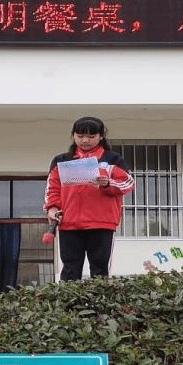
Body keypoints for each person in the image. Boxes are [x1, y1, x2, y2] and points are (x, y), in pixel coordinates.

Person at [44, 116, 134, 281]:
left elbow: (128, 184)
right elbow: (53, 189)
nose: (85, 140)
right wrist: (52, 209)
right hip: (69, 223)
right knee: (70, 270)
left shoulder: (113, 159)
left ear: (101, 137)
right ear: (73, 136)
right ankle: (68, 299)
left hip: (101, 222)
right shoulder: (61, 161)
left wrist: (108, 184)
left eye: (91, 136)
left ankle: (100, 299)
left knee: (100, 270)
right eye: (80, 136)